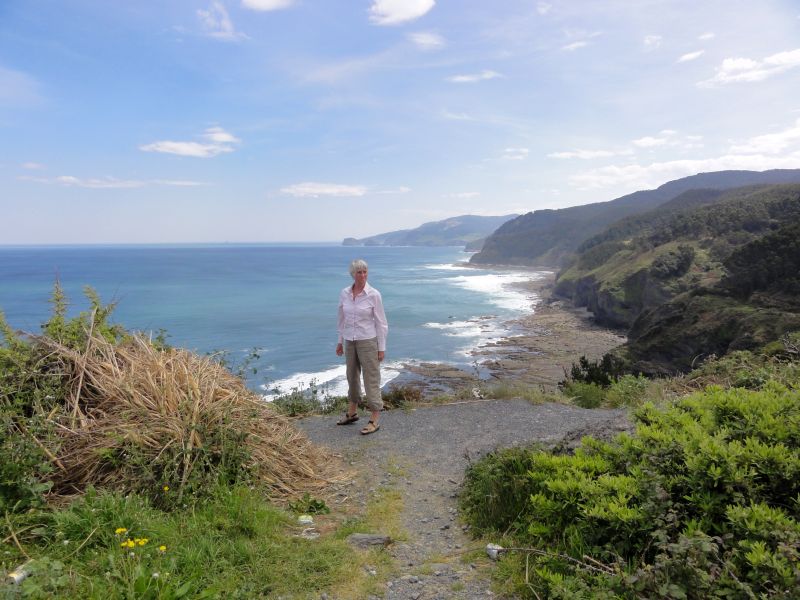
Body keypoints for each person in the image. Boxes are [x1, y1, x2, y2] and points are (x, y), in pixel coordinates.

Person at [335, 258, 388, 435]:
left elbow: (382, 323)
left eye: (365, 271)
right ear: (353, 274)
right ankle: (352, 413)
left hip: (368, 341)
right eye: (359, 272)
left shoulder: (374, 294)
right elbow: (342, 319)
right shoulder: (344, 293)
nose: (363, 275)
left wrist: (381, 347)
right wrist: (339, 341)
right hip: (350, 340)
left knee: (371, 378)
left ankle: (374, 418)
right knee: (351, 376)